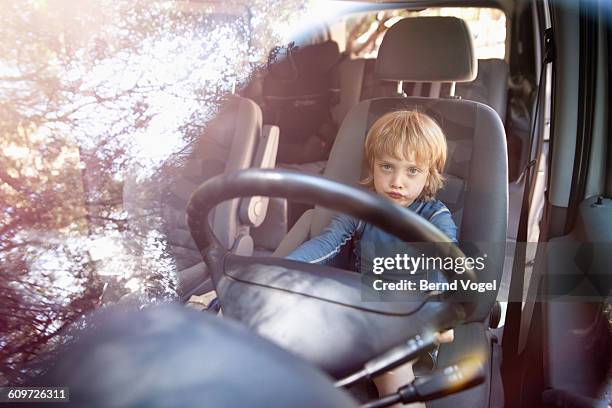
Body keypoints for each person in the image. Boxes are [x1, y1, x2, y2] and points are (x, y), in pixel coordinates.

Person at [286, 109, 457, 406]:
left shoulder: (436, 217)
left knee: (390, 367)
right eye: (387, 167)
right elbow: (325, 244)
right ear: (373, 166)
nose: (397, 182)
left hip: (410, 319)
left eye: (412, 171)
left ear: (430, 174)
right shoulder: (362, 210)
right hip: (357, 311)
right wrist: (278, 273)